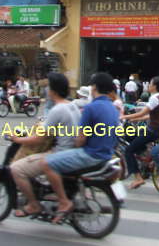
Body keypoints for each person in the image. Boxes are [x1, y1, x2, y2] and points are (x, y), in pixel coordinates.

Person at [40, 72, 119, 223]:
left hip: (90, 155)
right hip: (107, 155)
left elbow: (80, 140)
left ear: (94, 88)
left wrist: (74, 144)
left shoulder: (91, 108)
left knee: (46, 163)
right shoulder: (113, 108)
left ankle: (63, 201)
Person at [10, 72, 81, 218]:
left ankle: (34, 205)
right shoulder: (72, 105)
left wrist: (18, 140)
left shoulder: (57, 109)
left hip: (60, 153)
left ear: (53, 90)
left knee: (16, 169)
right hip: (72, 151)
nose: (46, 90)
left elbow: (38, 139)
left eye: (48, 87)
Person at [122, 76, 159, 189]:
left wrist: (124, 116)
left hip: (152, 131)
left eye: (150, 84)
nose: (148, 86)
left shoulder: (154, 98)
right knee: (131, 137)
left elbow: (142, 113)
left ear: (154, 86)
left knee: (128, 151)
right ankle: (144, 159)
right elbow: (149, 115)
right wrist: (134, 119)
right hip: (155, 130)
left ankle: (138, 178)